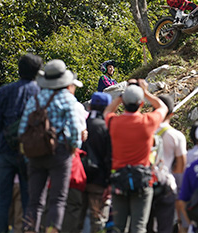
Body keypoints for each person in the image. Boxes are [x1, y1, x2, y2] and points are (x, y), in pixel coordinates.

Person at [19, 59, 83, 233]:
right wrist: (74, 146)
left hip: (36, 154)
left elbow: (23, 128)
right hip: (59, 152)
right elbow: (75, 127)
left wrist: (28, 153)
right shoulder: (67, 98)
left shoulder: (35, 99)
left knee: (35, 200)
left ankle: (30, 230)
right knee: (58, 199)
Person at [104, 80, 168, 233]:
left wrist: (121, 96)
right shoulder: (147, 122)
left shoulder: (114, 122)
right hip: (142, 180)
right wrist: (145, 92)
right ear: (141, 104)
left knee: (119, 227)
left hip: (119, 179)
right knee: (138, 226)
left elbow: (106, 112)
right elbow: (163, 107)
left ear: (124, 103)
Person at [0, 53, 43, 233]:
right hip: (29, 152)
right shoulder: (40, 92)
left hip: (5, 150)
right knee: (29, 199)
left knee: (3, 200)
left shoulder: (5, 90)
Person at [148, 95, 188, 233]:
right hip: (167, 186)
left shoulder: (144, 131)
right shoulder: (176, 136)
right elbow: (181, 167)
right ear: (171, 113)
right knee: (165, 226)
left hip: (145, 183)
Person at [78, 92, 113, 233]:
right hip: (99, 180)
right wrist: (109, 181)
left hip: (79, 178)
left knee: (77, 218)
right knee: (97, 218)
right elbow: (109, 157)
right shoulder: (105, 127)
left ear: (91, 105)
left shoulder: (82, 123)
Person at [61, 73, 89, 233]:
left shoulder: (40, 101)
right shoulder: (75, 106)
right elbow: (79, 134)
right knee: (72, 205)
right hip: (70, 161)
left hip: (44, 164)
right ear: (69, 86)